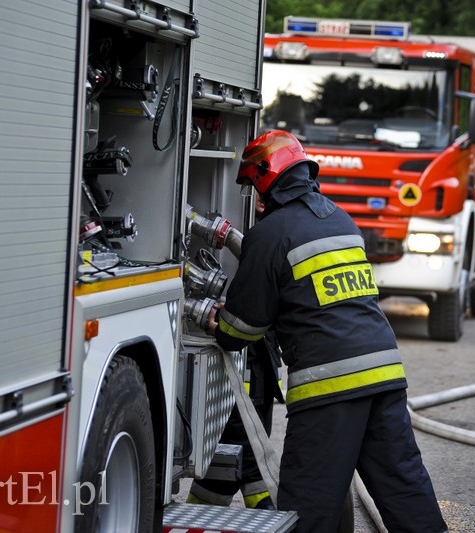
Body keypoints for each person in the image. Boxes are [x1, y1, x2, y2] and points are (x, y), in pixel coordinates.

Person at [206, 130, 448, 533]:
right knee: (403, 487)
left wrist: (218, 323)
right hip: (385, 374)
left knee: (309, 503)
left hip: (329, 385)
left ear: (267, 176)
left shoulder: (269, 234)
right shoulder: (339, 217)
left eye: (253, 185)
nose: (256, 197)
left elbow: (243, 327)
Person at [187, 199, 284, 511]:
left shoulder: (274, 230)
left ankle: (266, 512)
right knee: (234, 446)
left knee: (246, 444)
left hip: (253, 355)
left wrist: (225, 327)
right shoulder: (284, 222)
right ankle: (207, 507)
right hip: (255, 354)